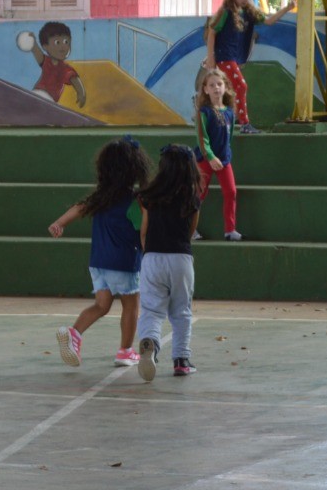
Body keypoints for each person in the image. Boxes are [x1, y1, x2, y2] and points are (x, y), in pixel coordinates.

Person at [48, 137, 152, 367]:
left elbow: (80, 207)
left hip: (98, 262)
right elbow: (143, 231)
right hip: (124, 262)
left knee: (101, 306)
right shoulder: (134, 201)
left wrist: (60, 223)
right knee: (131, 306)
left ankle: (74, 333)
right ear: (135, 169)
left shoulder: (100, 197)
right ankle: (125, 350)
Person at [135, 145, 203, 382]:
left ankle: (151, 343)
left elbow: (143, 232)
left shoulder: (149, 197)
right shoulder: (192, 198)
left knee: (152, 310)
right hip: (181, 259)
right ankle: (181, 361)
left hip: (152, 257)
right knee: (181, 312)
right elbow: (190, 232)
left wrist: (150, 254)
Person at [204, 0, 294, 133]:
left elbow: (269, 21)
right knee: (241, 85)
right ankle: (244, 123)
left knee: (226, 89)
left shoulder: (249, 12)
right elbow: (212, 32)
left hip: (233, 57)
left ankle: (222, 118)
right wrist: (211, 57)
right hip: (224, 56)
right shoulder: (226, 12)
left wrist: (287, 7)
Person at [193, 68, 243, 241]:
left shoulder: (229, 112)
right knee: (198, 194)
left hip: (224, 160)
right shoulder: (203, 113)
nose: (216, 88)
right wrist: (210, 157)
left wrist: (224, 156)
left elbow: (229, 138)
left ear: (225, 87)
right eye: (212, 85)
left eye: (219, 84)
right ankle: (190, 229)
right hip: (206, 159)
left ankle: (230, 230)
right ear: (206, 89)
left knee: (231, 192)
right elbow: (202, 138)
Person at [26, 21, 86, 108]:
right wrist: (32, 42)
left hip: (50, 101)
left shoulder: (65, 69)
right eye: (57, 42)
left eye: (66, 42)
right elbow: (36, 51)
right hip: (38, 94)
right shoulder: (46, 61)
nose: (63, 46)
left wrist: (81, 93)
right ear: (45, 46)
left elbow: (75, 80)